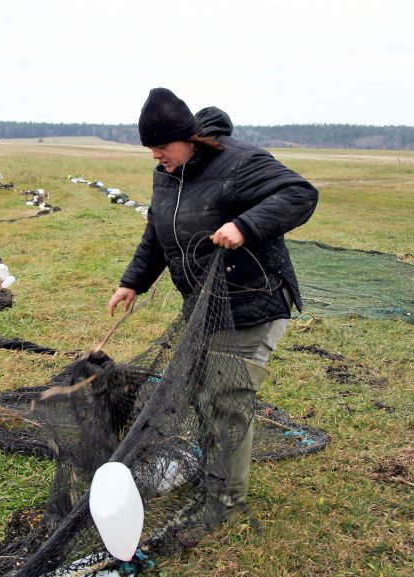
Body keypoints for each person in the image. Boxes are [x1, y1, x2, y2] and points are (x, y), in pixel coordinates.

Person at [107, 87, 318, 521]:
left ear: (189, 138)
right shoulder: (169, 172)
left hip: (252, 300)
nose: (155, 156)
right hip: (204, 303)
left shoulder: (240, 162)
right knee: (204, 392)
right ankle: (214, 476)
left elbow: (300, 194)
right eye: (150, 149)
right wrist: (133, 282)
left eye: (161, 147)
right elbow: (156, 228)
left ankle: (225, 504)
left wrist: (245, 225)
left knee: (226, 399)